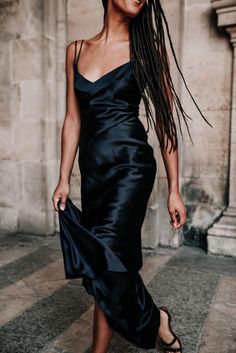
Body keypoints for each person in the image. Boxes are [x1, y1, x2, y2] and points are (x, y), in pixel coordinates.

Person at [52, 1, 212, 352]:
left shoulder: (148, 52)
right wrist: (64, 177)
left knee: (107, 255)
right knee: (107, 261)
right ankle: (158, 320)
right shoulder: (75, 51)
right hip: (94, 173)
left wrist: (174, 190)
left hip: (132, 168)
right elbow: (73, 120)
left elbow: (166, 125)